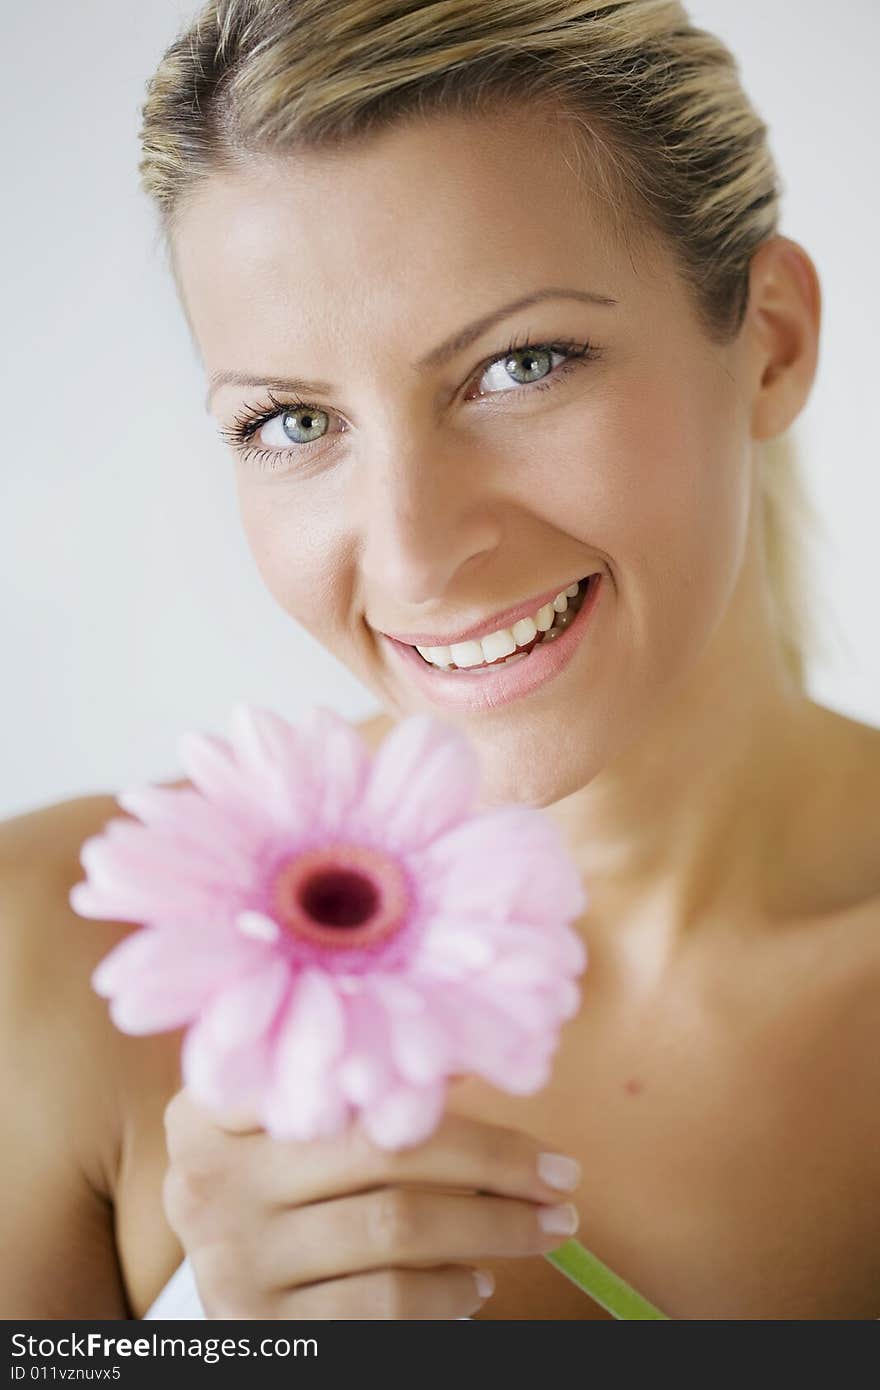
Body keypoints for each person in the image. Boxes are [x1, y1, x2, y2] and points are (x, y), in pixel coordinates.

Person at [2, 0, 878, 1321]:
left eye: (522, 364)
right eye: (292, 420)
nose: (413, 558)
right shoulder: (49, 970)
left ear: (772, 340)